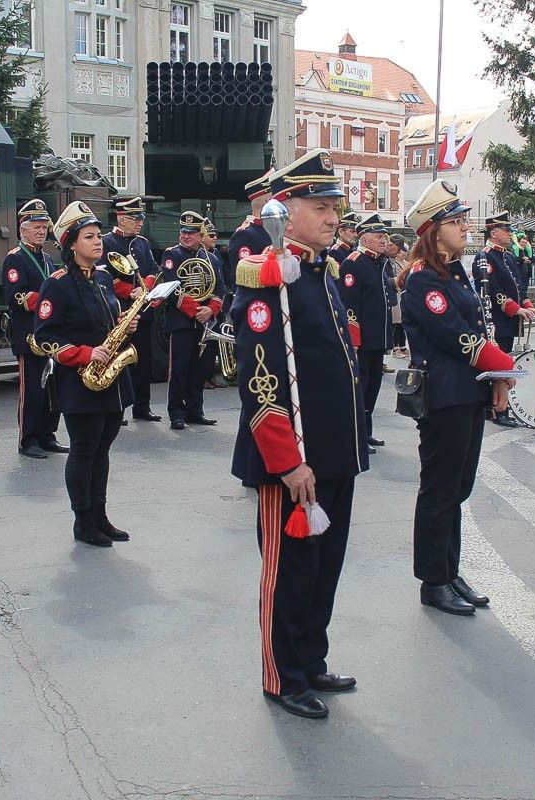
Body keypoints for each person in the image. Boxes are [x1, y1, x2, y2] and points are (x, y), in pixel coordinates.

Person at [230, 148, 367, 720]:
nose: (334, 216)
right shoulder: (269, 281)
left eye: (335, 205)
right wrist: (288, 462)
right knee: (289, 572)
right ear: (285, 210)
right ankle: (281, 676)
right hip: (294, 460)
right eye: (321, 206)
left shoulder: (319, 273)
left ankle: (310, 659)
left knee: (324, 566)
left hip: (333, 454)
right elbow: (263, 384)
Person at [402, 180, 514, 615]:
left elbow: (478, 330)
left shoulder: (455, 272)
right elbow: (458, 337)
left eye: (465, 219)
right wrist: (503, 365)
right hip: (443, 397)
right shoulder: (423, 280)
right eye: (456, 221)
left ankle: (450, 570)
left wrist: (497, 380)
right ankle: (433, 580)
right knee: (440, 490)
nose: (466, 227)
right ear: (433, 230)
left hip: (467, 393)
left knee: (458, 488)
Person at [31, 202, 138, 547]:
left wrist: (125, 323)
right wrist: (84, 354)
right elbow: (44, 338)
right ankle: (83, 521)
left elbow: (107, 322)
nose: (98, 242)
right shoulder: (56, 284)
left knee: (103, 448)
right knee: (84, 449)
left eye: (97, 236)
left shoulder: (104, 278)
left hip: (111, 380)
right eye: (89, 237)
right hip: (79, 381)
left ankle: (100, 516)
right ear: (71, 244)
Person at [2, 199, 68, 459]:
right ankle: (28, 440)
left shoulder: (49, 258)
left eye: (44, 226)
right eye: (36, 227)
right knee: (32, 391)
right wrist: (49, 301)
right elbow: (16, 296)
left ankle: (48, 434)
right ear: (23, 229)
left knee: (53, 387)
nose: (42, 231)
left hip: (50, 334)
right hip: (28, 333)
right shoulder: (15, 259)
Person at [160, 211, 226, 429]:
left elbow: (219, 288)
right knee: (179, 369)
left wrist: (211, 309)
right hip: (182, 321)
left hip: (204, 321)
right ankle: (176, 413)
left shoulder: (211, 258)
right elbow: (172, 288)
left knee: (201, 368)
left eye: (192, 232)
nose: (186, 236)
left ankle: (195, 410)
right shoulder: (172, 256)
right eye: (183, 232)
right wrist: (197, 309)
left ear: (200, 234)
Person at [475, 212, 535, 427]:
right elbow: (492, 290)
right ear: (494, 233)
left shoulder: (508, 256)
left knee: (505, 361)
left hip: (508, 320)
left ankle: (496, 407)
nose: (510, 234)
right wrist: (515, 309)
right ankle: (497, 409)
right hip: (495, 320)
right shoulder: (485, 256)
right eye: (506, 231)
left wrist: (527, 306)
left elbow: (518, 286)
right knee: (499, 365)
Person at [100, 196, 161, 421]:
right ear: (121, 218)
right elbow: (104, 276)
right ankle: (119, 407)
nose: (139, 223)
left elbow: (154, 268)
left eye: (140, 218)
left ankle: (142, 406)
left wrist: (147, 286)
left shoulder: (142, 242)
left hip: (142, 311)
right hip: (121, 311)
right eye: (135, 218)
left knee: (143, 361)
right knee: (118, 360)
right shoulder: (107, 242)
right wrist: (129, 291)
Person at [338, 213, 393, 453]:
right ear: (364, 237)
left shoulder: (381, 262)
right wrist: (354, 339)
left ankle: (366, 432)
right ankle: (356, 435)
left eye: (384, 236)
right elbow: (349, 305)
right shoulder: (353, 262)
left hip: (378, 338)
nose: (383, 240)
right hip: (363, 339)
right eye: (378, 236)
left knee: (373, 387)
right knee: (360, 387)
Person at [199, 217, 229, 389]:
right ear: (202, 236)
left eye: (216, 235)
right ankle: (203, 376)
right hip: (205, 303)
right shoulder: (201, 255)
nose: (214, 238)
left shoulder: (215, 254)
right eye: (211, 235)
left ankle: (210, 375)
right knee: (205, 345)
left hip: (216, 303)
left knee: (215, 342)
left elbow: (222, 279)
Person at [386, 234, 411, 357]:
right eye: (399, 248)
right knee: (395, 323)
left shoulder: (392, 260)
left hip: (396, 294)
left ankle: (400, 346)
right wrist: (394, 281)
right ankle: (395, 348)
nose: (400, 252)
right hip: (392, 294)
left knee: (400, 323)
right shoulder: (384, 259)